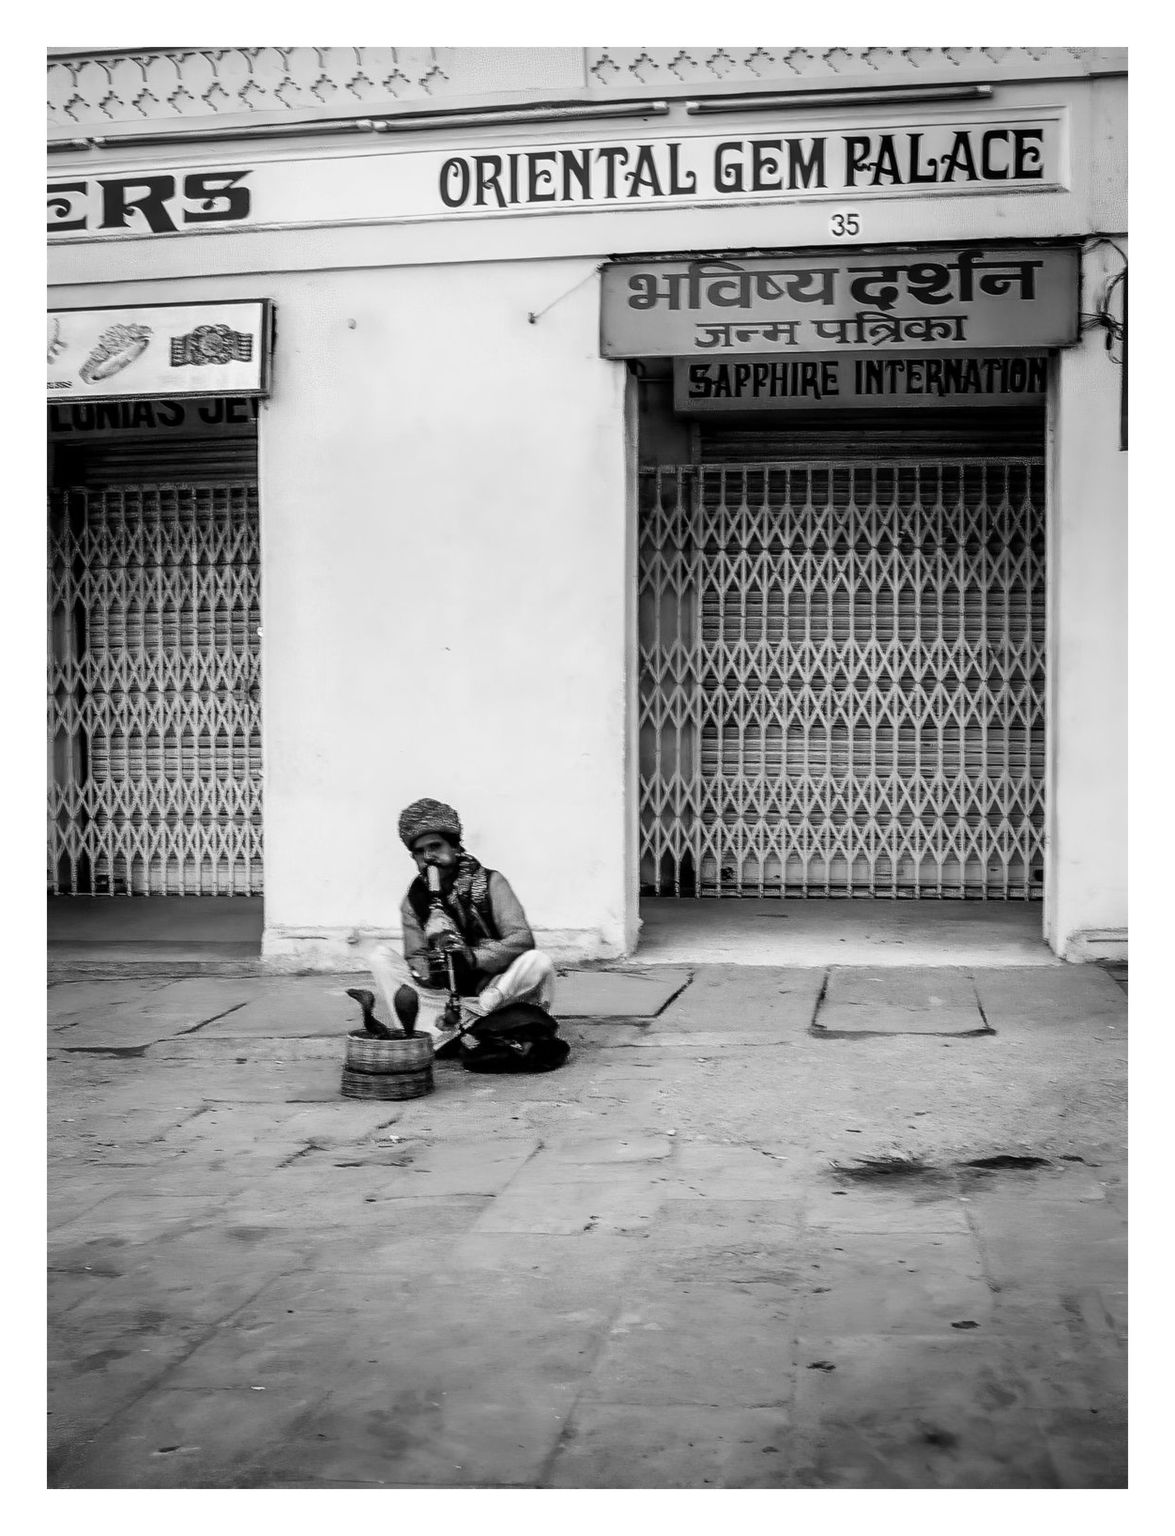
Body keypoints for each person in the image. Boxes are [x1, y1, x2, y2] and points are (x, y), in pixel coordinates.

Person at [359, 797, 557, 1045]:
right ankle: (445, 1029)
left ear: (455, 847)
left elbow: (521, 940)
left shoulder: (491, 883)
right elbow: (416, 958)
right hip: (447, 999)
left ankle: (471, 1018)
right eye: (419, 852)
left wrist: (470, 956)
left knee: (538, 962)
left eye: (435, 846)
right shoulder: (413, 901)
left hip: (495, 991)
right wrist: (433, 963)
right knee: (381, 958)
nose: (428, 857)